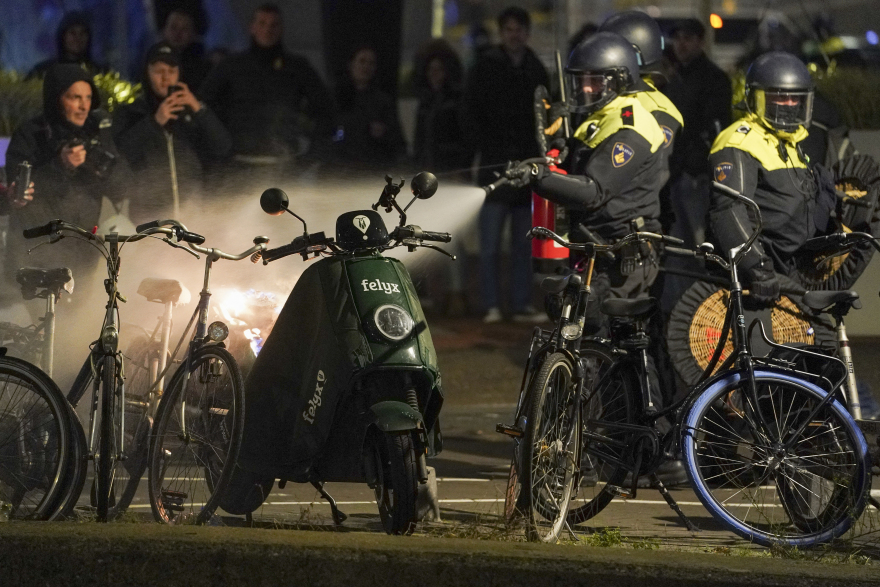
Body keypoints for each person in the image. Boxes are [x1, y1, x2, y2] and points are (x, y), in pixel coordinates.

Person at [4, 63, 131, 298]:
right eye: (74, 97)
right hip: (34, 257)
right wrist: (60, 165)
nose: (84, 106)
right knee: (35, 329)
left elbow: (122, 188)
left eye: (88, 97)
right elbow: (18, 193)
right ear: (56, 99)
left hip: (81, 257)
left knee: (75, 330)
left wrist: (100, 169)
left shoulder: (97, 134)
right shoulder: (32, 134)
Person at [708, 52, 823, 302]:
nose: (790, 104)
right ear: (755, 98)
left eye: (796, 98)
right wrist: (758, 269)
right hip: (759, 279)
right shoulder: (739, 142)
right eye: (780, 98)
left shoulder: (793, 140)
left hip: (793, 272)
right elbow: (729, 212)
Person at [463, 6, 549, 323]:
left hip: (525, 170)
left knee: (523, 244)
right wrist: (484, 147)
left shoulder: (535, 69)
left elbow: (544, 118)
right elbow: (469, 113)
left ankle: (520, 303)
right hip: (494, 166)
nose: (515, 35)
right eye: (509, 29)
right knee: (489, 246)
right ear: (503, 33)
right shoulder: (485, 67)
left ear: (526, 33)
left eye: (519, 29)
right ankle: (491, 305)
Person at [199, 3, 335, 167]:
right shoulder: (231, 66)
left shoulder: (297, 67)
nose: (268, 30)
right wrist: (219, 149)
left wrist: (311, 155)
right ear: (252, 27)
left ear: (281, 29)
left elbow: (325, 109)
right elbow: (204, 106)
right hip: (239, 163)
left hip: (285, 163)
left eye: (274, 25)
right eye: (262, 23)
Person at [113, 42, 232, 223]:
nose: (165, 78)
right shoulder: (132, 113)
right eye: (158, 71)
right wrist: (155, 122)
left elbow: (223, 147)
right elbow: (121, 155)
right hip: (149, 220)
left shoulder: (192, 112)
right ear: (147, 73)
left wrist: (198, 108)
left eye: (171, 71)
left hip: (193, 217)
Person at [660, 18, 732, 312]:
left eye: (688, 38)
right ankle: (680, 311)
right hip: (674, 174)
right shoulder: (676, 77)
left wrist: (695, 162)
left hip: (696, 176)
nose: (681, 44)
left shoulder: (713, 79)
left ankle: (700, 312)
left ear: (701, 41)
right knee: (678, 248)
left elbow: (715, 129)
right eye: (677, 38)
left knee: (700, 248)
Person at [599, 11, 683, 189]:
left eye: (608, 49)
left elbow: (656, 176)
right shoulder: (608, 100)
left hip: (633, 212)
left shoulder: (657, 109)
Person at [333, 46, 406, 171]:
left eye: (371, 63)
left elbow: (397, 140)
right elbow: (331, 132)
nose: (366, 67)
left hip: (372, 169)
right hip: (342, 170)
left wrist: (383, 133)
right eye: (362, 61)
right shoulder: (337, 98)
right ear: (351, 65)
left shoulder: (383, 101)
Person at [411, 40, 470, 175]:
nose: (434, 73)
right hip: (427, 169)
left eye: (439, 69)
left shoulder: (456, 101)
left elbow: (465, 138)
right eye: (431, 69)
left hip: (449, 170)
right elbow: (419, 139)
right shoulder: (425, 101)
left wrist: (460, 168)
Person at [27, 11, 105, 80]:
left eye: (82, 33)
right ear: (63, 36)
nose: (78, 38)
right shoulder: (42, 72)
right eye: (72, 33)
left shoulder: (100, 73)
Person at [159, 6, 213, 91]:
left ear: (193, 34)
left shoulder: (203, 68)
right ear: (164, 31)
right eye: (173, 27)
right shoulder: (151, 62)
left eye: (185, 29)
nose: (178, 33)